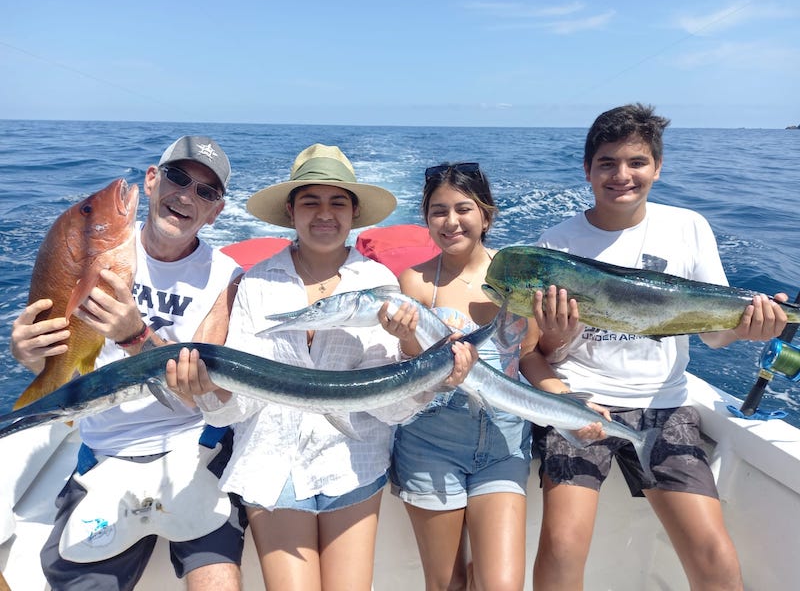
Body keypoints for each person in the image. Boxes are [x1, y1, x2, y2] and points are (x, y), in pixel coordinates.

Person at [167, 143, 478, 591]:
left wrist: (410, 347)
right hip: (272, 465)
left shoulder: (379, 285)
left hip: (353, 460)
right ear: (291, 211)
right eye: (310, 202)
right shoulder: (256, 284)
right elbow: (239, 407)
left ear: (354, 214)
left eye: (337, 202)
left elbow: (392, 411)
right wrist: (207, 394)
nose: (324, 214)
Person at [531, 103, 789, 591]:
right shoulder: (557, 244)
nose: (621, 175)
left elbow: (714, 333)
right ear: (587, 170)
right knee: (562, 545)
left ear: (658, 167)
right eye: (607, 163)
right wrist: (556, 337)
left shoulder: (688, 227)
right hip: (583, 401)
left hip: (665, 404)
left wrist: (747, 327)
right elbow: (540, 352)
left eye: (636, 162)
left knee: (714, 553)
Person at [11, 136, 247, 591]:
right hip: (103, 450)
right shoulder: (88, 255)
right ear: (153, 181)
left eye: (206, 192)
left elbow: (210, 391)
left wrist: (135, 337)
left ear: (216, 211)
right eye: (178, 178)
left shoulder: (227, 276)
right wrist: (29, 352)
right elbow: (61, 347)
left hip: (193, 445)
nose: (186, 195)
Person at [384, 162, 597, 591]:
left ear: (487, 214)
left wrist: (566, 399)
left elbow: (531, 356)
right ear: (426, 218)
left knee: (501, 584)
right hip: (430, 443)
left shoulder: (519, 279)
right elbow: (410, 371)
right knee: (447, 584)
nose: (451, 221)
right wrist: (408, 343)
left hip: (502, 443)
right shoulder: (417, 283)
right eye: (438, 211)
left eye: (463, 209)